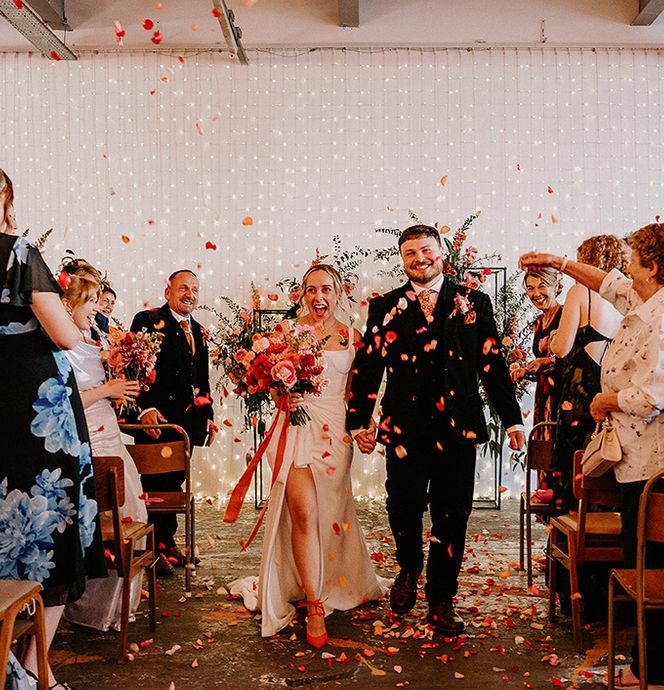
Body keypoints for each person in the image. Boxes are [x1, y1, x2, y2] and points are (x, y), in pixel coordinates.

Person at [520, 222, 664, 690]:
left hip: (659, 463)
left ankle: (655, 674)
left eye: (633, 256)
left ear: (651, 265)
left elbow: (652, 395)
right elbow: (610, 285)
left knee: (654, 571)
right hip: (661, 458)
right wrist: (559, 263)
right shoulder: (661, 299)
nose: (624, 263)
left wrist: (605, 402)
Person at [347, 224, 525, 636]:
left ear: (441, 251)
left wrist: (512, 418)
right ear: (403, 259)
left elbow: (492, 366)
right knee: (402, 508)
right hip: (404, 429)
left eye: (425, 250)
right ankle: (408, 568)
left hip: (458, 429)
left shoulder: (473, 302)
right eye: (410, 253)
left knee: (453, 514)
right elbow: (369, 367)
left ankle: (442, 596)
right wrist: (359, 420)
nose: (419, 259)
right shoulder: (385, 306)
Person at [230, 264, 389, 647]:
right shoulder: (285, 334)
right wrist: (282, 394)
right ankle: (315, 604)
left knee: (331, 514)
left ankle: (328, 578)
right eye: (312, 289)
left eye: (327, 289)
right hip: (295, 427)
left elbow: (357, 394)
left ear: (339, 293)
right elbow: (267, 385)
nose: (320, 297)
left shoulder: (352, 337)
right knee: (303, 512)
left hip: (334, 433)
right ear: (302, 293)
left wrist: (363, 430)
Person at [0, 168, 105, 690]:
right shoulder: (17, 251)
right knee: (55, 537)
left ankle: (14, 663)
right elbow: (64, 333)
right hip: (36, 418)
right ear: (6, 202)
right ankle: (38, 670)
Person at [59, 272, 148, 631]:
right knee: (96, 521)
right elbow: (63, 399)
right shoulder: (60, 342)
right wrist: (107, 389)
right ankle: (88, 609)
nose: (99, 308)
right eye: (93, 301)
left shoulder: (95, 332)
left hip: (109, 429)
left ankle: (118, 608)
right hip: (85, 435)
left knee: (129, 509)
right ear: (69, 304)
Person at [130, 270, 215, 575]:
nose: (189, 294)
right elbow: (134, 366)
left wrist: (209, 418)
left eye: (194, 289)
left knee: (174, 482)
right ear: (168, 292)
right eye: (183, 288)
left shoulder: (200, 330)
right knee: (153, 484)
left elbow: (202, 380)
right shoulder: (147, 320)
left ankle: (166, 540)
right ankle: (152, 548)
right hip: (158, 420)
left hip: (187, 425)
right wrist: (145, 408)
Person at [548, 234, 626, 513]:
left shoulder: (580, 292)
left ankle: (571, 541)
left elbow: (561, 348)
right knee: (605, 463)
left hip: (581, 389)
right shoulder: (628, 296)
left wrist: (554, 336)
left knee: (576, 463)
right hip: (613, 390)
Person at [511, 267, 563, 441]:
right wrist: (526, 371)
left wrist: (547, 362)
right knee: (541, 454)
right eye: (530, 288)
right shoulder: (539, 322)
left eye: (542, 286)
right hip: (542, 396)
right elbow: (542, 363)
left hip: (561, 398)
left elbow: (571, 359)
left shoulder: (566, 316)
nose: (536, 293)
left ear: (555, 286)